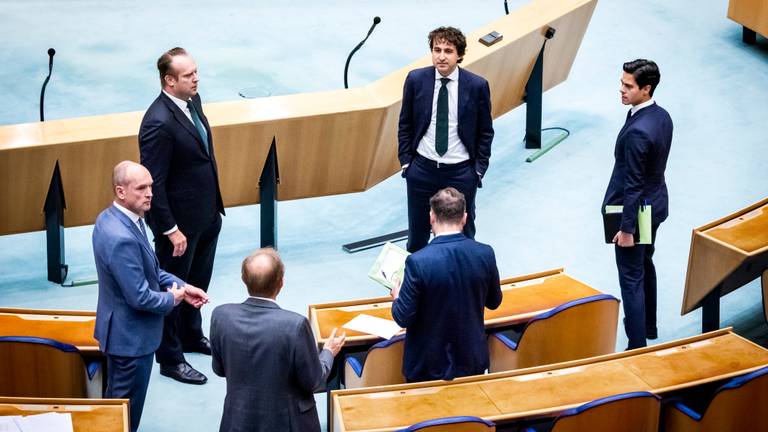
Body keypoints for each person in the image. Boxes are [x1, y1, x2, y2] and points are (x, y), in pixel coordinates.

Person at [92, 161, 209, 432]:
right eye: (141, 188)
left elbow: (152, 270)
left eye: (151, 187)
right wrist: (174, 299)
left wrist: (183, 285)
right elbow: (141, 297)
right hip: (131, 342)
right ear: (121, 191)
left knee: (117, 408)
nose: (150, 194)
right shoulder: (122, 237)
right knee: (124, 417)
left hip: (122, 332)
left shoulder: (112, 218)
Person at [139, 47, 225, 384]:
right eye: (188, 75)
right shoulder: (157, 122)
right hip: (178, 229)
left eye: (196, 72)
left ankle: (192, 335)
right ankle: (171, 358)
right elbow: (153, 183)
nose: (196, 78)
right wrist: (171, 229)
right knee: (174, 293)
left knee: (197, 285)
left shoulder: (193, 100)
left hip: (205, 216)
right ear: (169, 81)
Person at [210, 248, 346, 432]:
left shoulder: (221, 316)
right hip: (288, 424)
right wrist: (328, 352)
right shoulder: (295, 325)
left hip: (237, 421)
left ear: (244, 279)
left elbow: (219, 369)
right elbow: (313, 381)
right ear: (281, 283)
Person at [398, 26, 494, 253]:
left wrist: (477, 171)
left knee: (465, 233)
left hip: (460, 172)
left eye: (448, 51)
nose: (441, 56)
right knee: (417, 237)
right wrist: (406, 162)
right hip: (422, 169)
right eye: (436, 49)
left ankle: (463, 282)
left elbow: (485, 132)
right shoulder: (415, 80)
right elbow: (405, 124)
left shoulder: (477, 86)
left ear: (459, 55)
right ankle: (419, 284)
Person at [391, 187, 502, 382]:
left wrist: (397, 296)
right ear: (465, 218)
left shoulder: (418, 262)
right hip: (471, 360)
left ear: (431, 217)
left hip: (428, 366)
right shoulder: (485, 253)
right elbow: (494, 301)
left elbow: (403, 317)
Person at [602, 59, 673, 350]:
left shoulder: (637, 133)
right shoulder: (662, 116)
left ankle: (637, 343)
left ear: (646, 89)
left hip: (636, 214)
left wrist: (627, 229)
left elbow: (632, 183)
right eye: (622, 82)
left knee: (630, 277)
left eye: (628, 86)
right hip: (655, 204)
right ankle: (649, 324)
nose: (621, 89)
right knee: (646, 262)